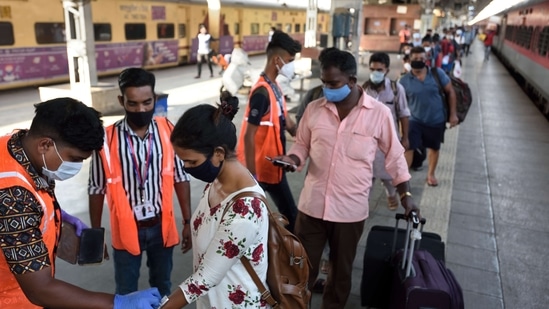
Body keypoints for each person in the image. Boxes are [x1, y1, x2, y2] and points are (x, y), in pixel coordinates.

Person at [275, 47, 419, 308]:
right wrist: (292, 159)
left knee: (340, 275)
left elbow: (396, 157)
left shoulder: (379, 114)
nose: (327, 89)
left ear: (352, 80)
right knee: (300, 271)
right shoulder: (314, 109)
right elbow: (302, 146)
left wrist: (406, 196)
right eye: (324, 83)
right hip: (311, 209)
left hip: (350, 212)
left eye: (333, 83)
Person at [0, 97, 161, 308]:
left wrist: (57, 215)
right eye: (74, 159)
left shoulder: (19, 142)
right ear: (45, 145)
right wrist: (117, 303)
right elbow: (40, 290)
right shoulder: (13, 196)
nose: (76, 167)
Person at [88, 68, 192, 297]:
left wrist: (187, 221)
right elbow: (96, 187)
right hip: (126, 229)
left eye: (147, 102)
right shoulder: (106, 139)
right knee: (126, 291)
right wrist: (96, 233)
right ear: (121, 100)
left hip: (161, 226)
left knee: (162, 285)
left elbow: (180, 177)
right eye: (132, 103)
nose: (141, 109)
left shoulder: (167, 130)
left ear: (155, 98)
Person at [160, 101, 270, 309]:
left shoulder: (246, 209)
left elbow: (205, 278)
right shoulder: (216, 182)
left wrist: (163, 307)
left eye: (192, 162)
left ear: (218, 153)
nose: (186, 168)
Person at [236, 30, 300, 232]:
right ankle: (291, 257)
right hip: (260, 170)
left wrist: (309, 142)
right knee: (290, 215)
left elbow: (289, 124)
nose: (291, 66)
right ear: (276, 60)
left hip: (274, 165)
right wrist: (252, 176)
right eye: (289, 61)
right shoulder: (262, 93)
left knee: (286, 214)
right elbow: (248, 135)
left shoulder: (275, 88)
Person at [398, 46, 458, 186]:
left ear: (426, 59)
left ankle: (431, 175)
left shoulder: (438, 74)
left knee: (434, 148)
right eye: (415, 58)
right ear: (409, 60)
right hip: (414, 120)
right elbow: (401, 105)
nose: (419, 61)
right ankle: (404, 178)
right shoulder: (404, 81)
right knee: (408, 148)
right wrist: (401, 125)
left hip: (436, 119)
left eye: (421, 58)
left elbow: (451, 92)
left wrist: (453, 115)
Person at [363, 52, 411, 211]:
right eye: (372, 69)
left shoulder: (397, 90)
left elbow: (403, 113)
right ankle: (362, 206)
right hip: (367, 142)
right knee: (366, 177)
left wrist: (405, 137)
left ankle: (391, 195)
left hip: (389, 141)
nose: (375, 73)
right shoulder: (364, 90)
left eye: (379, 70)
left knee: (389, 177)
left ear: (387, 70)